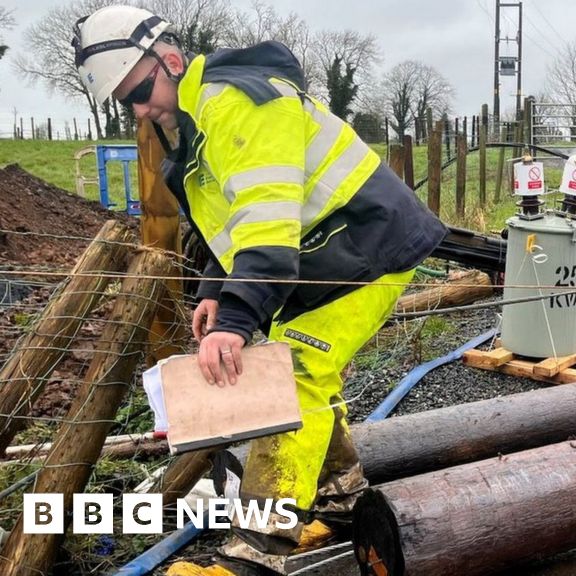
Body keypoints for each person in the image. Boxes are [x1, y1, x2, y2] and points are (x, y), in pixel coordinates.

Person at [73, 6, 448, 575]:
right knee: (304, 371)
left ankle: (256, 552)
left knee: (297, 373)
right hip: (323, 252)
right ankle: (344, 495)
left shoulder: (237, 104)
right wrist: (214, 291)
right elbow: (235, 223)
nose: (141, 109)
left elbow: (268, 226)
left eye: (143, 90)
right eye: (129, 101)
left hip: (367, 244)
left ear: (170, 61)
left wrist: (234, 322)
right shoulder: (193, 130)